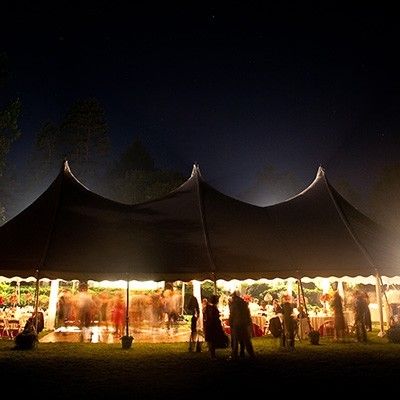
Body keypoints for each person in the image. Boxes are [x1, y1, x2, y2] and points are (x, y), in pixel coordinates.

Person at [228, 291, 255, 359]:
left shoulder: (234, 304)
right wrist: (248, 322)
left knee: (235, 339)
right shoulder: (244, 303)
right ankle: (249, 353)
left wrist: (230, 322)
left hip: (236, 323)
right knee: (245, 338)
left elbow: (232, 314)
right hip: (244, 322)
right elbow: (248, 314)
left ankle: (235, 354)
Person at [203, 294, 227, 359]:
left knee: (211, 341)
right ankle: (212, 355)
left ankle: (212, 354)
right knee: (212, 340)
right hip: (212, 326)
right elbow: (213, 317)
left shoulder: (209, 307)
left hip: (209, 325)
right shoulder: (212, 308)